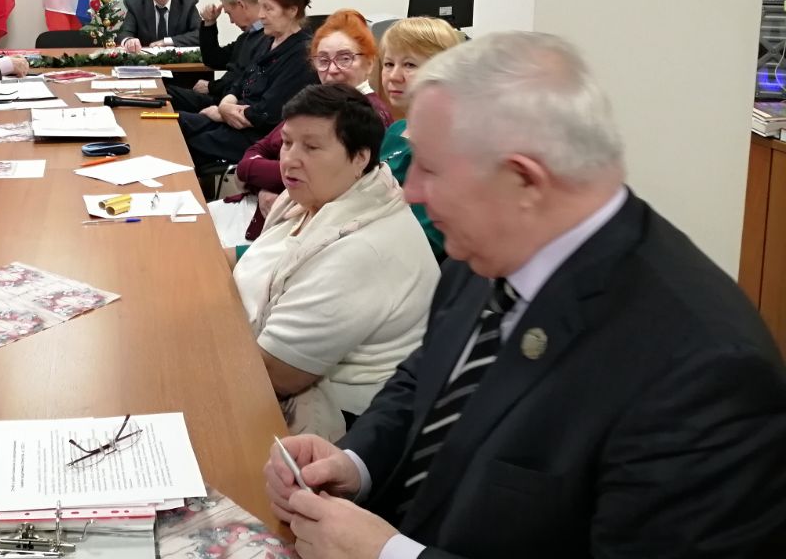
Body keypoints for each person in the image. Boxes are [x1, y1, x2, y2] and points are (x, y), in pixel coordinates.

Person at [266, 32, 786, 559]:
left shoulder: (707, 373)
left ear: (524, 182)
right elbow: (426, 379)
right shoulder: (491, 245)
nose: (412, 188)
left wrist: (387, 555)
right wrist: (355, 462)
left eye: (432, 168)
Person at [234, 85, 435, 442]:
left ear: (359, 158)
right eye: (287, 143)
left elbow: (275, 374)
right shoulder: (320, 196)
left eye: (311, 147)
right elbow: (262, 257)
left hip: (342, 425)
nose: (289, 160)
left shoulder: (361, 250)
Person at [218, 10, 391, 247]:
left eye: (345, 59)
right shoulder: (317, 102)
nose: (332, 70)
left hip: (292, 231)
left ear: (369, 63)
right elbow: (258, 150)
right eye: (323, 60)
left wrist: (252, 172)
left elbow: (315, 176)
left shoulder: (369, 116)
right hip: (264, 212)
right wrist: (263, 185)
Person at [179, 0, 316, 167]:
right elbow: (240, 82)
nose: (261, 15)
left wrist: (221, 112)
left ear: (292, 11)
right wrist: (225, 105)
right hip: (234, 118)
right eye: (261, 7)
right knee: (177, 123)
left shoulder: (302, 53)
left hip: (258, 136)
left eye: (268, 8)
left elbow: (267, 112)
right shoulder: (267, 41)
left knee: (182, 144)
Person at [373, 17, 463, 260]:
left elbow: (426, 240)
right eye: (388, 64)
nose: (394, 76)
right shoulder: (396, 130)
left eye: (410, 65)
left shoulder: (446, 146)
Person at [169, 0, 265, 113]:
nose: (231, 21)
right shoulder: (248, 35)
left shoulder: (266, 37)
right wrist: (209, 23)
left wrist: (211, 86)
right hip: (222, 98)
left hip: (231, 105)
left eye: (229, 13)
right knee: (166, 93)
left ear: (241, 5)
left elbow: (243, 77)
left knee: (168, 97)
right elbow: (214, 59)